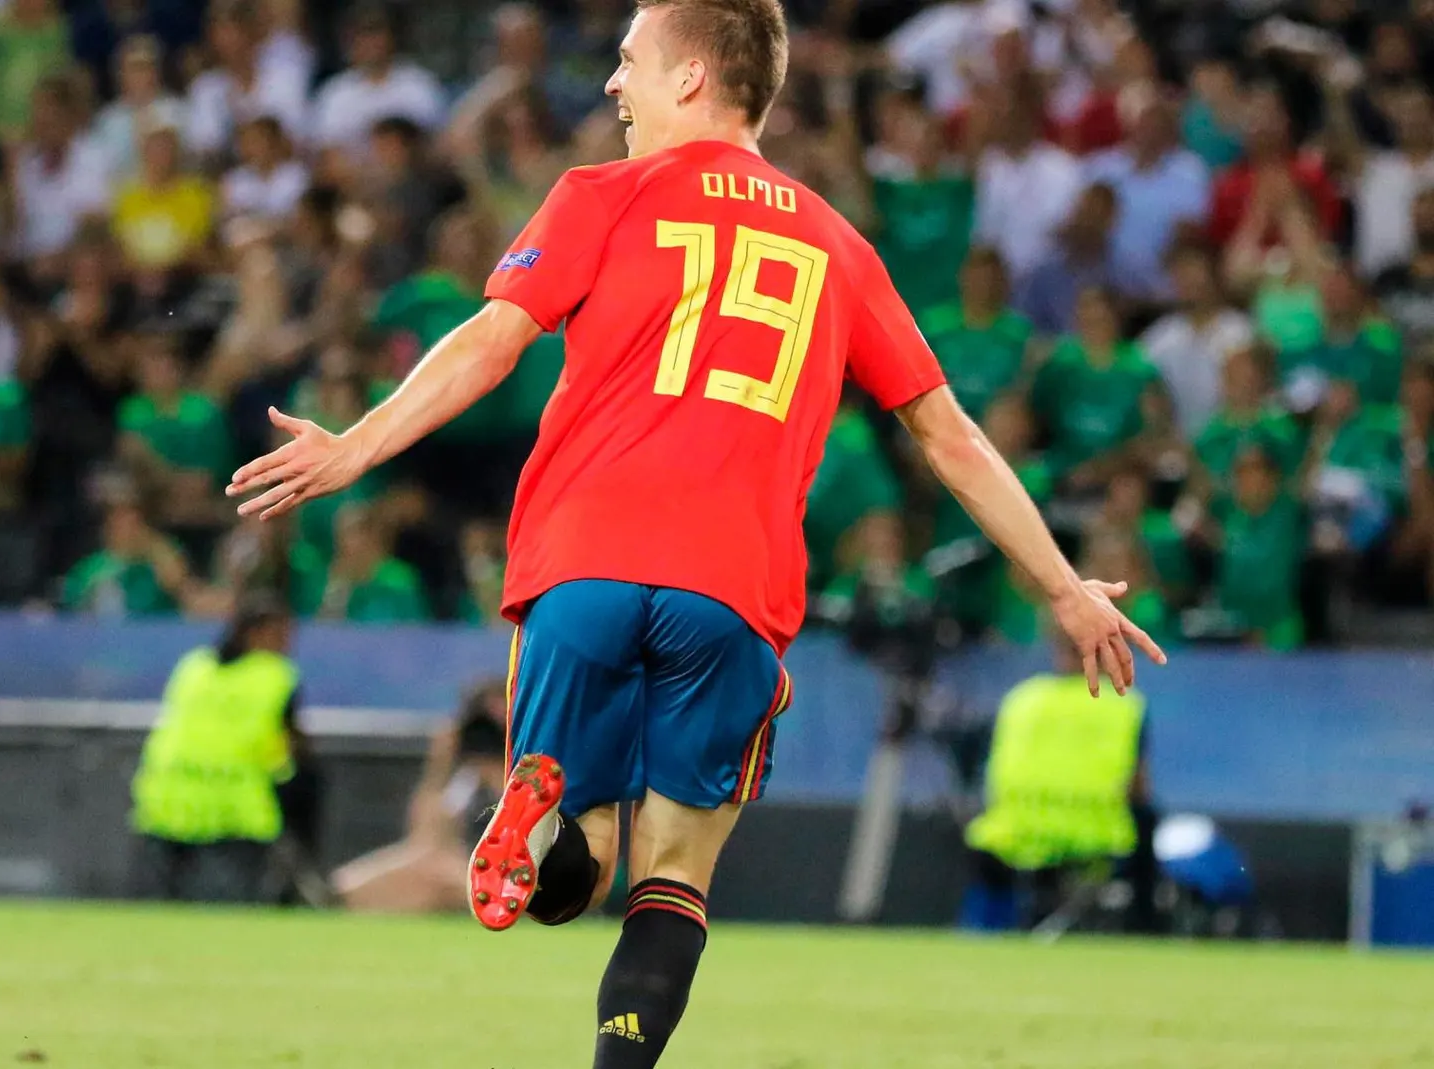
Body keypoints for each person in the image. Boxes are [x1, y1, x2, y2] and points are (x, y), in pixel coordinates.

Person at [227, 3, 1165, 1066]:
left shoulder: (600, 195)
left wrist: (356, 444)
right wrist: (1062, 589)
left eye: (629, 64)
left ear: (690, 80)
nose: (614, 86)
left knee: (561, 871)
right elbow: (946, 436)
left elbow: (492, 342)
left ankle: (539, 826)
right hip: (731, 587)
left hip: (583, 560)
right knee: (671, 876)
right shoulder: (835, 242)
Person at [960, 629, 1161, 935]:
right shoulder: (1125, 707)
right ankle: (1144, 931)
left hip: (1012, 833)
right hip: (1092, 836)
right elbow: (1138, 787)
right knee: (1148, 820)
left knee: (988, 865)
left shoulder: (1022, 698)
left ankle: (980, 933)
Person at [129, 595, 300, 903]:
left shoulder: (193, 666)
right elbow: (289, 745)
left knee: (159, 908)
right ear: (254, 634)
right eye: (281, 635)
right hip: (234, 805)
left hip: (167, 797)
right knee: (231, 910)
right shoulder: (275, 676)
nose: (287, 645)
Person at [332, 678, 509, 912]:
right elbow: (422, 837)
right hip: (454, 865)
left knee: (436, 879)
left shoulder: (525, 770)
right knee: (352, 883)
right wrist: (439, 765)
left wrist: (499, 770)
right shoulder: (466, 779)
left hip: (505, 873)